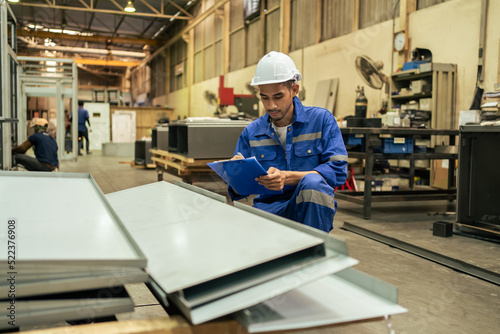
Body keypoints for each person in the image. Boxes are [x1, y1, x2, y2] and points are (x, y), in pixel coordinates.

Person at [229, 51, 348, 233]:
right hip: (268, 210)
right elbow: (238, 192)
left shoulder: (321, 120)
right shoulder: (251, 132)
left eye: (278, 97)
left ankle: (313, 250)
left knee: (313, 184)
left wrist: (287, 177)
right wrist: (236, 174)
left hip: (310, 209)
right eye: (264, 97)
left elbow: (338, 171)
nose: (271, 106)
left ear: (294, 90)